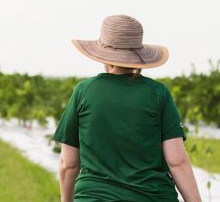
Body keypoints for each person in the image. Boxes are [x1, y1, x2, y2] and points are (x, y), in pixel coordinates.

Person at [54, 15, 201, 202]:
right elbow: (177, 161)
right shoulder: (158, 93)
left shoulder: (84, 91)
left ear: (103, 56)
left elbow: (68, 163)